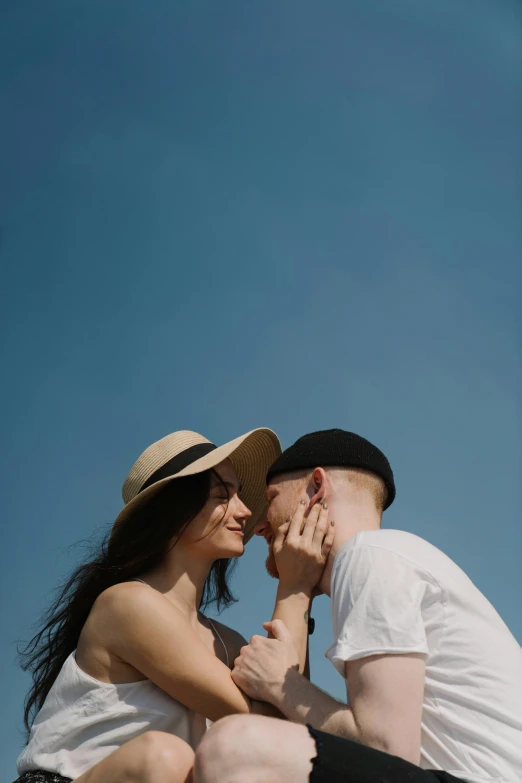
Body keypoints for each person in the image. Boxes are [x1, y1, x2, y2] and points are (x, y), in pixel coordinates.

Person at [193, 429, 522, 783]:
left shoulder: (369, 557)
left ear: (316, 487)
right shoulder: (392, 556)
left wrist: (280, 683)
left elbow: (387, 749)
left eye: (271, 498)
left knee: (235, 748)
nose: (258, 526)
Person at [14, 427, 333, 783]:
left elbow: (289, 719)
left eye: (240, 494)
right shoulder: (127, 605)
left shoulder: (225, 642)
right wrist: (293, 585)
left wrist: (301, 589)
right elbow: (265, 726)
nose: (244, 512)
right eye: (222, 494)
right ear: (174, 511)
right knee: (164, 757)